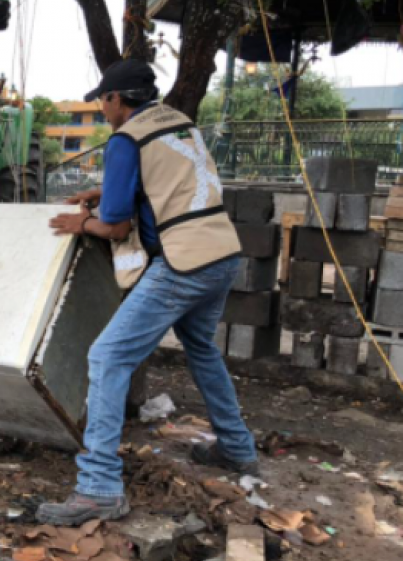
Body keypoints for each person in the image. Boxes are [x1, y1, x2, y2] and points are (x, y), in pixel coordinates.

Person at [39, 59, 256, 526]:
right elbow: (169, 185)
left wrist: (82, 222)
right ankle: (237, 448)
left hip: (184, 262)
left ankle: (98, 486)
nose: (102, 108)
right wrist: (103, 192)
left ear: (117, 100)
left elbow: (116, 227)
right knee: (200, 348)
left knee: (107, 357)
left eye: (104, 100)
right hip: (222, 253)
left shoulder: (125, 139)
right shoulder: (177, 123)